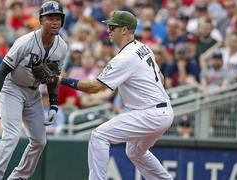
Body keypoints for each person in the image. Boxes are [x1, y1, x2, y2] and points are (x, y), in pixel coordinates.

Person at [58, 11, 174, 180]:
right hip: (163, 111)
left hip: (150, 113)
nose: (108, 30)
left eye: (113, 27)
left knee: (99, 135)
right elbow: (161, 79)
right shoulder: (143, 47)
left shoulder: (124, 58)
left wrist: (62, 80)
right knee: (134, 151)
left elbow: (95, 87)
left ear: (125, 30)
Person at [0, 1, 67, 179]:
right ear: (40, 20)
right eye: (50, 18)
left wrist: (53, 104)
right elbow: (2, 71)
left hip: (33, 92)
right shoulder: (25, 41)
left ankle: (18, 177)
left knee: (39, 141)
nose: (55, 22)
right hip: (12, 87)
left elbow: (53, 78)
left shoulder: (62, 47)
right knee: (11, 136)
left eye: (58, 18)